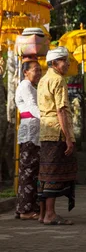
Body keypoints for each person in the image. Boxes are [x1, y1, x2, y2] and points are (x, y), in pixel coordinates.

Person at [37, 46, 77, 225]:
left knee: (45, 172)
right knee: (53, 172)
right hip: (57, 132)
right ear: (54, 63)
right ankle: (50, 214)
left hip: (45, 131)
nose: (67, 64)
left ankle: (43, 213)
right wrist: (68, 137)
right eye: (64, 61)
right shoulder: (58, 80)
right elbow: (60, 109)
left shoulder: (43, 79)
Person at [15, 59, 43, 220]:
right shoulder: (25, 86)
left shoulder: (31, 87)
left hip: (33, 130)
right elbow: (32, 107)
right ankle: (25, 210)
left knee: (32, 171)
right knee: (28, 171)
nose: (38, 73)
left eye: (40, 70)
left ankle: (27, 206)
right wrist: (46, 119)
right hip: (29, 131)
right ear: (26, 72)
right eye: (35, 70)